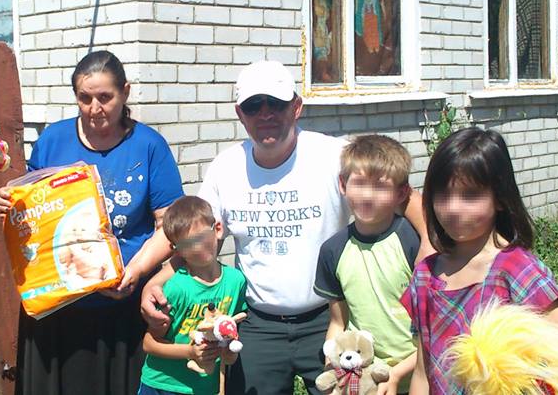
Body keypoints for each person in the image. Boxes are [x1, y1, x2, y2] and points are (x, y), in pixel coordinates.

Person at [141, 60, 429, 395]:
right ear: (240, 114)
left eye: (275, 103)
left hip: (330, 319)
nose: (265, 114)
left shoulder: (332, 155)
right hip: (258, 324)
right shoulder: (226, 167)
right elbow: (193, 234)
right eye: (254, 106)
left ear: (296, 107)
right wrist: (152, 278)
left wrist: (428, 246)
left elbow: (405, 196)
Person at [0, 50, 184, 395]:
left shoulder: (148, 146)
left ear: (125, 92)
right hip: (57, 309)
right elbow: (33, 210)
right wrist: (10, 205)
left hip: (122, 311)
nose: (95, 108)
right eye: (84, 98)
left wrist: (136, 271)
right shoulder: (53, 140)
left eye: (105, 97)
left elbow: (170, 226)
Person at [401, 127, 558, 394]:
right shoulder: (426, 275)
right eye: (443, 194)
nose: (453, 208)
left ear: (500, 199)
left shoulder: (516, 270)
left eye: (470, 195)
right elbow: (423, 374)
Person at [313, 135, 418, 395]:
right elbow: (338, 322)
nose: (367, 196)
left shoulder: (413, 241)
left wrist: (397, 374)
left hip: (417, 377)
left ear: (401, 193)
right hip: (362, 381)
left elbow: (435, 325)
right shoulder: (332, 250)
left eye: (381, 187)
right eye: (359, 183)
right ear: (343, 184)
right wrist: (332, 367)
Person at [139, 196, 248, 395]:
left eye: (201, 237)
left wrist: (228, 350)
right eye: (187, 244)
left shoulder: (236, 281)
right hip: (163, 384)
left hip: (205, 387)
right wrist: (189, 352)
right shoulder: (176, 288)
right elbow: (149, 343)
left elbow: (230, 330)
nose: (197, 247)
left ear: (217, 229)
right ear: (176, 250)